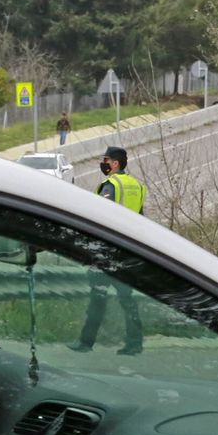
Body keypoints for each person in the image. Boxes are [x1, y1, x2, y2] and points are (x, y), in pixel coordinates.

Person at [70, 146, 146, 356]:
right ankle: (135, 343)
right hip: (128, 252)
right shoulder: (137, 186)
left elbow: (100, 218)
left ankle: (86, 342)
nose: (103, 164)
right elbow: (141, 220)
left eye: (106, 160)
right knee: (127, 301)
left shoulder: (110, 185)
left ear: (115, 163)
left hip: (106, 253)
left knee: (98, 298)